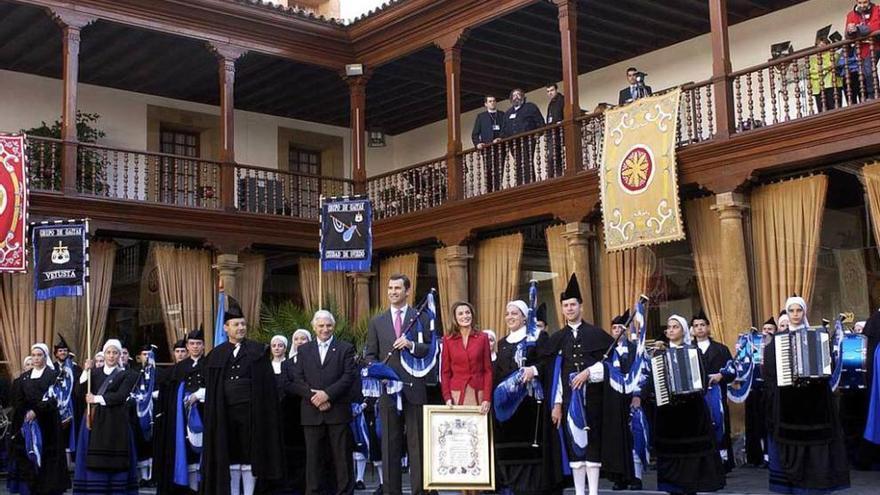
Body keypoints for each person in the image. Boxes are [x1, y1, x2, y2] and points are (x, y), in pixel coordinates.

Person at [544, 274, 626, 495]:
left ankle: (594, 491)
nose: (569, 309)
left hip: (595, 399)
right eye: (565, 305)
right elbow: (556, 375)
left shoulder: (597, 334)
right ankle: (580, 492)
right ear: (561, 309)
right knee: (574, 446)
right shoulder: (557, 338)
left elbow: (613, 366)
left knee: (593, 443)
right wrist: (557, 404)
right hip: (570, 402)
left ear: (580, 306)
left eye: (573, 304)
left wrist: (589, 372)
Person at [764, 296, 849, 494]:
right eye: (791, 311)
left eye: (798, 311)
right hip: (787, 404)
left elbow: (828, 369)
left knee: (815, 446)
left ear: (804, 313)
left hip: (813, 403)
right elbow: (769, 373)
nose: (795, 315)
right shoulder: (776, 342)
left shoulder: (818, 336)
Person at [202, 296, 283, 495]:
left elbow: (267, 386)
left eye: (243, 324)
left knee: (249, 455)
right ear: (225, 328)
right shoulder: (216, 354)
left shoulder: (258, 350)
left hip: (251, 413)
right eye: (236, 324)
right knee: (230, 453)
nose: (241, 328)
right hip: (225, 413)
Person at [364, 274, 431, 495]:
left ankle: (420, 491)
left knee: (417, 443)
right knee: (390, 444)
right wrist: (378, 372)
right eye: (390, 288)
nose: (393, 291)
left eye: (398, 288)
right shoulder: (377, 321)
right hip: (388, 389)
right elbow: (370, 355)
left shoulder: (419, 317)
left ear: (407, 291)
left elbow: (430, 350)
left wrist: (411, 344)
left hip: (414, 387)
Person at [644, 316, 725, 495]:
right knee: (671, 458)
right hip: (668, 412)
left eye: (675, 327)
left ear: (683, 331)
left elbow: (703, 382)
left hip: (691, 413)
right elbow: (652, 384)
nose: (671, 330)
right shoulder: (658, 356)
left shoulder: (694, 352)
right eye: (669, 328)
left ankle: (691, 487)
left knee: (692, 459)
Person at [493, 299, 560, 495]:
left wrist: (534, 369)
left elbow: (548, 362)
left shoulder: (538, 337)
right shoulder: (502, 343)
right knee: (509, 452)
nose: (510, 317)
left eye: (515, 313)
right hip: (507, 409)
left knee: (530, 454)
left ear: (524, 317)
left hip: (530, 406)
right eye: (507, 313)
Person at [289, 310, 357, 495]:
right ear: (314, 327)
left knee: (342, 457)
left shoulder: (345, 348)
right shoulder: (303, 350)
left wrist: (327, 395)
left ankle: (344, 492)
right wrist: (316, 398)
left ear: (333, 327)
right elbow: (297, 378)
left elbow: (349, 376)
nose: (325, 329)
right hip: (311, 412)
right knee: (313, 458)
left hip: (337, 411)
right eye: (321, 325)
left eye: (328, 325)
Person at [72, 338, 140, 495]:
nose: (111, 356)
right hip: (94, 422)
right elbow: (78, 392)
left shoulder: (128, 374)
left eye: (115, 352)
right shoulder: (94, 373)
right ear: (104, 354)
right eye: (108, 352)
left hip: (116, 422)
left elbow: (121, 396)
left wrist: (96, 399)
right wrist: (85, 371)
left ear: (120, 355)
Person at [7, 343, 70, 495]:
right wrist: (27, 412)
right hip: (29, 423)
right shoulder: (24, 378)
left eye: (39, 355)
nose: (36, 358)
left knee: (49, 458)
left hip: (48, 424)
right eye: (33, 355)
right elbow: (18, 400)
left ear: (45, 356)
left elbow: (55, 399)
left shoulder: (53, 375)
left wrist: (37, 410)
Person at [155, 327, 206, 495]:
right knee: (187, 453)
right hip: (182, 419)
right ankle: (190, 489)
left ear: (204, 346)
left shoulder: (210, 365)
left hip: (206, 415)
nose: (195, 347)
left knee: (203, 453)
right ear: (188, 346)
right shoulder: (178, 368)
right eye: (192, 344)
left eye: (198, 343)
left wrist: (199, 395)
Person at [691, 310, 734, 471]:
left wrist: (721, 375)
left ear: (708, 327)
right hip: (697, 396)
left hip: (717, 394)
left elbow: (732, 369)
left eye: (702, 325)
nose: (700, 328)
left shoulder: (721, 349)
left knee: (719, 424)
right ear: (692, 329)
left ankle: (722, 461)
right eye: (696, 326)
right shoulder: (689, 349)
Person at [608, 310, 643, 491]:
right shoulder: (608, 351)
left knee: (634, 437)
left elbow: (641, 373)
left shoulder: (635, 349)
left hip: (632, 399)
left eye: (620, 328)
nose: (617, 331)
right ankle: (619, 477)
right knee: (617, 438)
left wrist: (637, 395)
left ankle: (636, 478)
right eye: (614, 328)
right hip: (614, 400)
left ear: (626, 330)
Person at [441, 301, 492, 412]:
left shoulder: (483, 338)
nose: (465, 316)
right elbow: (445, 372)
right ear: (454, 317)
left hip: (479, 392)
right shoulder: (447, 340)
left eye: (467, 313)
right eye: (460, 313)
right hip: (456, 393)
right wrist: (447, 396)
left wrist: (487, 398)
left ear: (472, 315)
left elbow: (487, 371)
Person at [279, 329, 311, 495]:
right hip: (292, 415)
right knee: (294, 453)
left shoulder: (315, 362)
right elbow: (286, 385)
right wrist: (306, 391)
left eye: (303, 339)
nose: (299, 341)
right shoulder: (287, 364)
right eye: (296, 339)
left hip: (313, 410)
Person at [744, 317, 775, 467]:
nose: (767, 332)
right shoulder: (754, 345)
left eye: (771, 329)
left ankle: (770, 456)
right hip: (755, 391)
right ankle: (757, 456)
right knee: (756, 426)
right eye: (765, 329)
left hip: (770, 391)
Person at [501, 88, 544, 185]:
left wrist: (538, 133)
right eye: (514, 95)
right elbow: (504, 130)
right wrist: (502, 139)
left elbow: (540, 122)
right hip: (514, 143)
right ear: (511, 98)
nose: (516, 97)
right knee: (518, 163)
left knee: (527, 161)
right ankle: (520, 183)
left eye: (518, 94)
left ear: (523, 96)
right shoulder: (508, 113)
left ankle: (529, 182)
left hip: (527, 140)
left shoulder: (530, 107)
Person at [132, 344, 159, 486]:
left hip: (155, 412)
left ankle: (152, 476)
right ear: (139, 357)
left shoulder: (159, 372)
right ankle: (143, 477)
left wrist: (154, 395)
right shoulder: (135, 373)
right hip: (139, 413)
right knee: (141, 442)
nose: (147, 357)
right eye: (144, 354)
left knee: (153, 443)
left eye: (149, 354)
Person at [845, 0, 880, 100]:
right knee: (867, 71)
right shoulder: (851, 15)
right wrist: (851, 31)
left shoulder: (877, 10)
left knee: (869, 69)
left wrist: (859, 29)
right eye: (860, 3)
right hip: (865, 48)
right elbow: (847, 35)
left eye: (865, 2)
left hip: (877, 44)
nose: (862, 5)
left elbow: (877, 26)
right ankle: (873, 95)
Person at [471, 95, 505, 194]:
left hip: (500, 147)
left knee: (499, 168)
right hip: (487, 149)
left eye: (494, 101)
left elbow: (506, 129)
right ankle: (490, 191)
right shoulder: (481, 117)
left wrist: (501, 138)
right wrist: (477, 144)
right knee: (489, 170)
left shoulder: (502, 115)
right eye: (490, 101)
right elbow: (475, 134)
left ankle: (498, 189)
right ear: (486, 104)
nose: (492, 103)